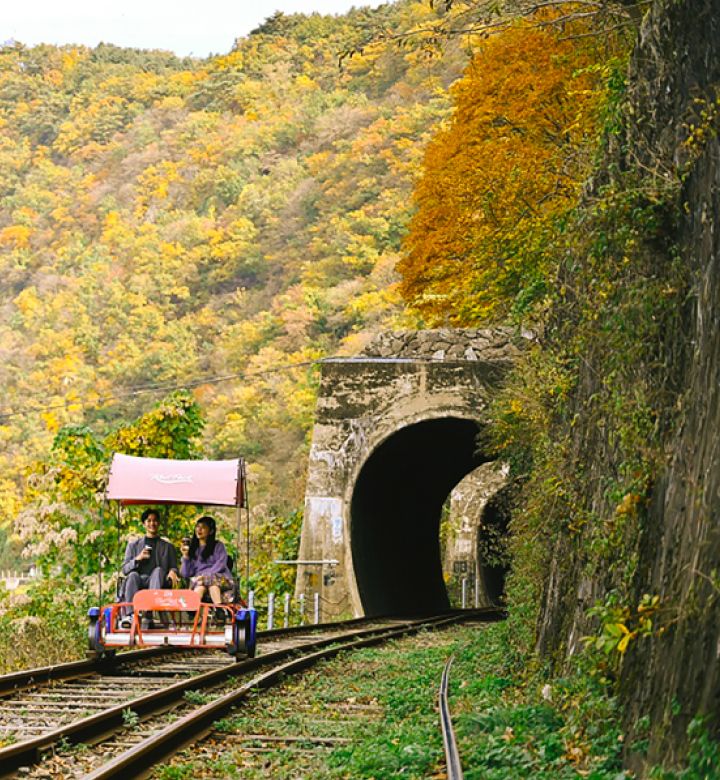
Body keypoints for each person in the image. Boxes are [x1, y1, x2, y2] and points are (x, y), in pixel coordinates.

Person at [119, 508, 180, 628]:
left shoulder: (168, 547)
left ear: (159, 523)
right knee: (132, 575)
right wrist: (138, 558)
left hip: (158, 580)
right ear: (144, 524)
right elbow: (125, 569)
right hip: (139, 580)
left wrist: (173, 571)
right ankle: (130, 615)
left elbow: (174, 567)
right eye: (149, 520)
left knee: (157, 571)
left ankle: (149, 610)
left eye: (155, 520)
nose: (152, 523)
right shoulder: (133, 545)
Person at [180, 515, 234, 623]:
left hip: (221, 579)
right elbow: (185, 574)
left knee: (209, 581)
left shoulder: (218, 546)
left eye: (203, 527)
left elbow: (221, 565)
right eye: (197, 527)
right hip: (202, 582)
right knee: (204, 586)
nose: (199, 530)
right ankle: (219, 610)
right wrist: (185, 557)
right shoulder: (193, 549)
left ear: (211, 531)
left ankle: (192, 605)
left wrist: (205, 576)